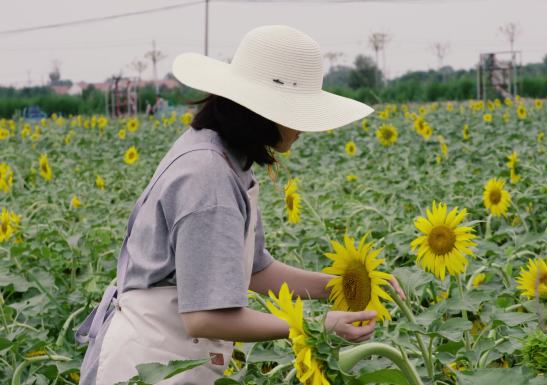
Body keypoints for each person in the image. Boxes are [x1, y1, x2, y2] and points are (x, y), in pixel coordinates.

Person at [75, 25, 405, 385]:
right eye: (298, 112)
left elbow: (254, 272)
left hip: (170, 359)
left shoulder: (221, 156)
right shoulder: (209, 178)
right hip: (150, 367)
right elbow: (204, 316)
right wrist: (314, 327)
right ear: (263, 111)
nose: (303, 128)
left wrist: (346, 285)